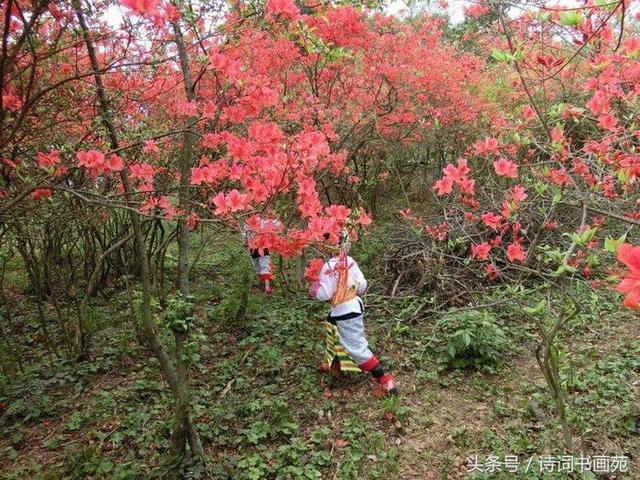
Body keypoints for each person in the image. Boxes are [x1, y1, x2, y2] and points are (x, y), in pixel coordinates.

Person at [309, 234, 398, 395]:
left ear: (324, 246)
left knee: (356, 347)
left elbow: (325, 294)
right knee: (333, 333)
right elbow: (362, 285)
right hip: (354, 307)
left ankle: (384, 379)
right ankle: (334, 364)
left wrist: (315, 288)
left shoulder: (327, 267)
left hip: (343, 312)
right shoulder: (350, 261)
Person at [242, 216, 281, 294]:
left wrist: (245, 243)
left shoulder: (247, 225)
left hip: (253, 248)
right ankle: (267, 287)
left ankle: (263, 284)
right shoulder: (262, 221)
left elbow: (245, 239)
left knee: (257, 266)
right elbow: (277, 225)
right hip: (263, 247)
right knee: (265, 266)